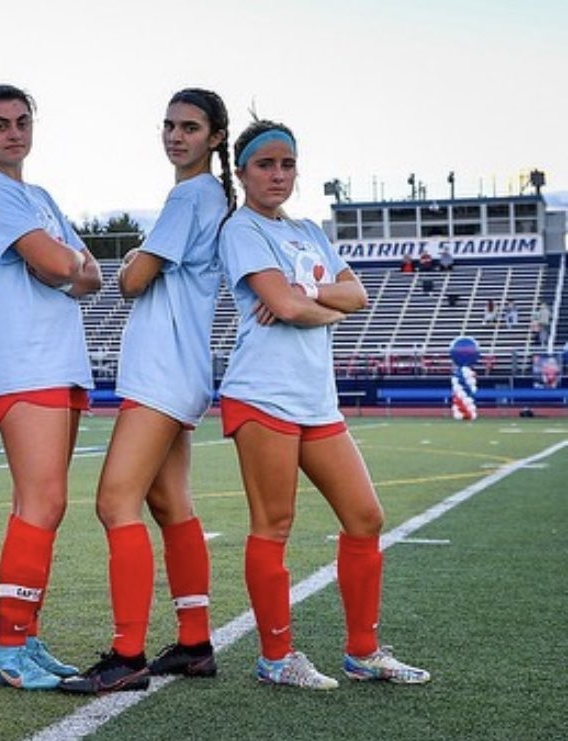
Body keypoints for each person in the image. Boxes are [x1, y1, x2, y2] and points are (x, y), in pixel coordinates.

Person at [218, 119, 430, 690]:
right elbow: (282, 309)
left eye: (287, 164)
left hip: (317, 401)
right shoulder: (241, 229)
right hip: (262, 394)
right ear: (242, 172)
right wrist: (309, 302)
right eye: (265, 164)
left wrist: (308, 294)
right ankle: (275, 658)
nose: (278, 174)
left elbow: (353, 295)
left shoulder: (310, 229)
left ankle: (363, 652)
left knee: (365, 517)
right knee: (275, 524)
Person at [60, 88, 232, 695]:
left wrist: (135, 254)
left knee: (115, 502)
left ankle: (126, 654)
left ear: (215, 137)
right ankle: (194, 643)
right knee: (170, 506)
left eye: (189, 127)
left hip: (162, 374)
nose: (175, 136)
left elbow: (132, 280)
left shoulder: (190, 196)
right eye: (169, 126)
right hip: (179, 371)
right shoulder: (205, 196)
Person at [0, 84, 103, 691]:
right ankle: (9, 651)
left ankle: (25, 637)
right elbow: (58, 264)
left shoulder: (37, 195)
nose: (14, 132)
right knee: (41, 502)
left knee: (43, 504)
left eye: (22, 121)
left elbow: (91, 274)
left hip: (57, 356)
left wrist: (62, 262)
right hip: (22, 358)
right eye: (0, 124)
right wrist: (61, 263)